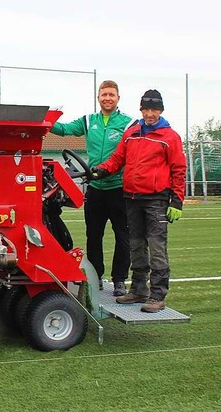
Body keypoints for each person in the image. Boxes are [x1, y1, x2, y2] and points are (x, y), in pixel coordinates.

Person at [93, 89, 187, 312]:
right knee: (136, 246)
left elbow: (179, 170)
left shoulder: (170, 137)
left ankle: (157, 296)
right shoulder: (132, 134)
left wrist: (177, 202)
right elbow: (117, 158)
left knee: (156, 249)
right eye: (146, 109)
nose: (150, 113)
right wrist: (102, 170)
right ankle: (138, 290)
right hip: (132, 197)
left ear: (160, 110)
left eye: (154, 109)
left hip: (156, 200)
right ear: (141, 110)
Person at [51, 80, 135, 296]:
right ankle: (96, 277)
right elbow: (64, 129)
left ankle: (119, 280)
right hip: (95, 189)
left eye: (111, 95)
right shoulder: (89, 121)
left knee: (122, 237)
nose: (108, 98)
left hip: (118, 188)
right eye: (104, 94)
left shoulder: (128, 124)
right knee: (94, 236)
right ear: (98, 97)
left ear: (118, 98)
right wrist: (46, 119)